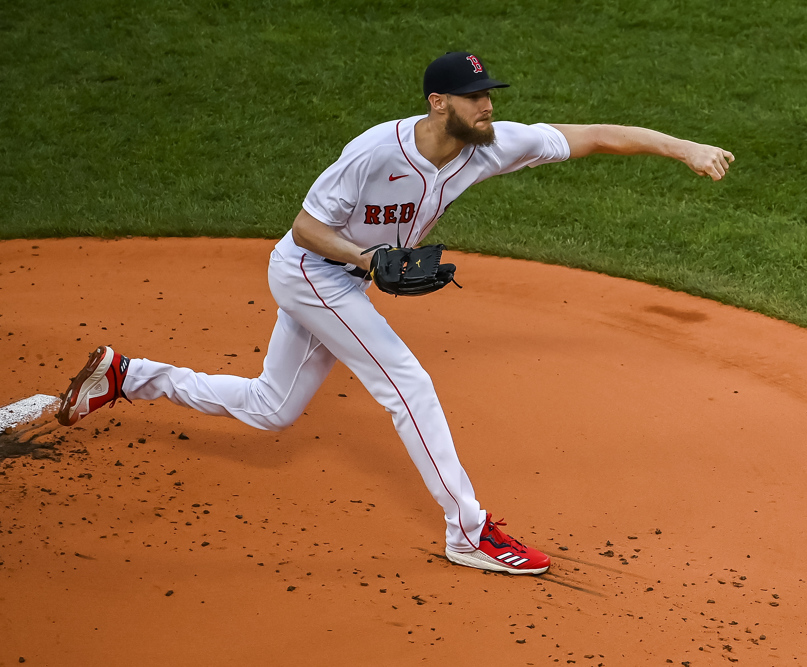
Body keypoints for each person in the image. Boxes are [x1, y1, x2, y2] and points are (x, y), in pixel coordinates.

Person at [57, 51, 734, 575]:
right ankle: (468, 531)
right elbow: (304, 228)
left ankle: (126, 375)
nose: (488, 105)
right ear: (439, 102)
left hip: (342, 278)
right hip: (310, 271)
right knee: (408, 383)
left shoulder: (490, 145)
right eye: (475, 96)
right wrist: (369, 258)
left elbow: (592, 136)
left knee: (272, 408)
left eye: (490, 94)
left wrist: (684, 149)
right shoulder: (376, 151)